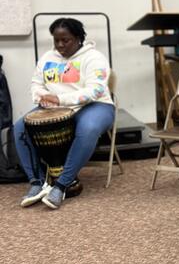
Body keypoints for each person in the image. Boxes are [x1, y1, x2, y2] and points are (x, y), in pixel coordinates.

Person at [14, 17, 114, 209]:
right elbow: (36, 83)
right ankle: (37, 182)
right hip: (55, 107)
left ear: (78, 38)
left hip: (96, 105)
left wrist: (59, 99)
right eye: (56, 40)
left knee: (88, 128)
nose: (60, 45)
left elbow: (95, 91)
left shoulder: (94, 58)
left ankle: (61, 185)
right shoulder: (48, 58)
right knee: (20, 127)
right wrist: (42, 97)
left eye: (65, 40)